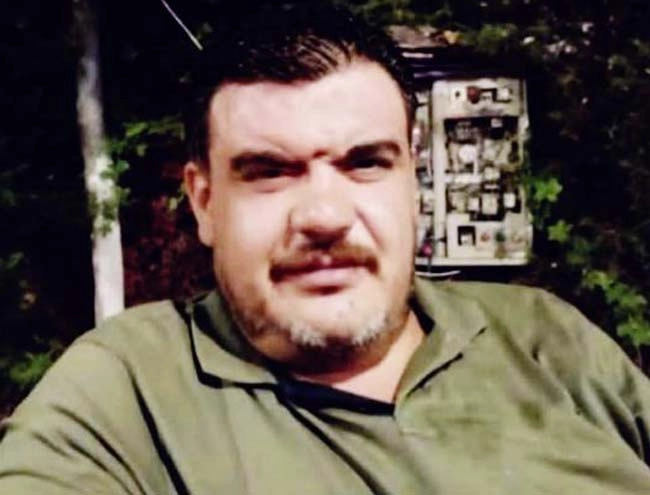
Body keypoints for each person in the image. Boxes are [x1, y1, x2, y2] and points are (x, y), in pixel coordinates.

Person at [1, 3, 650, 494]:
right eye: (268, 171)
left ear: (413, 183)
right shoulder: (124, 399)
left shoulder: (545, 341)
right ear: (204, 202)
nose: (324, 217)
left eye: (365, 163)